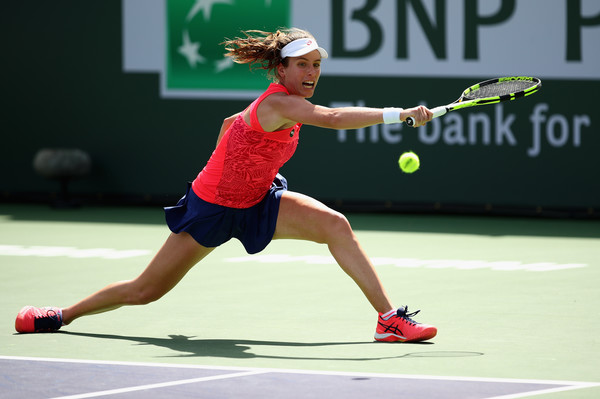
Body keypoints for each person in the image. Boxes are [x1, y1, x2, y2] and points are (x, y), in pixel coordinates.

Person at [15, 28, 436, 343]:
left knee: (336, 226)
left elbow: (229, 124)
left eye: (317, 64)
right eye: (302, 64)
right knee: (146, 291)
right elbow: (331, 118)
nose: (311, 72)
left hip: (257, 200)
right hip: (211, 208)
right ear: (281, 69)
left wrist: (231, 164)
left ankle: (388, 320)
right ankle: (61, 315)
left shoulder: (272, 104)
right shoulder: (279, 104)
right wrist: (400, 114)